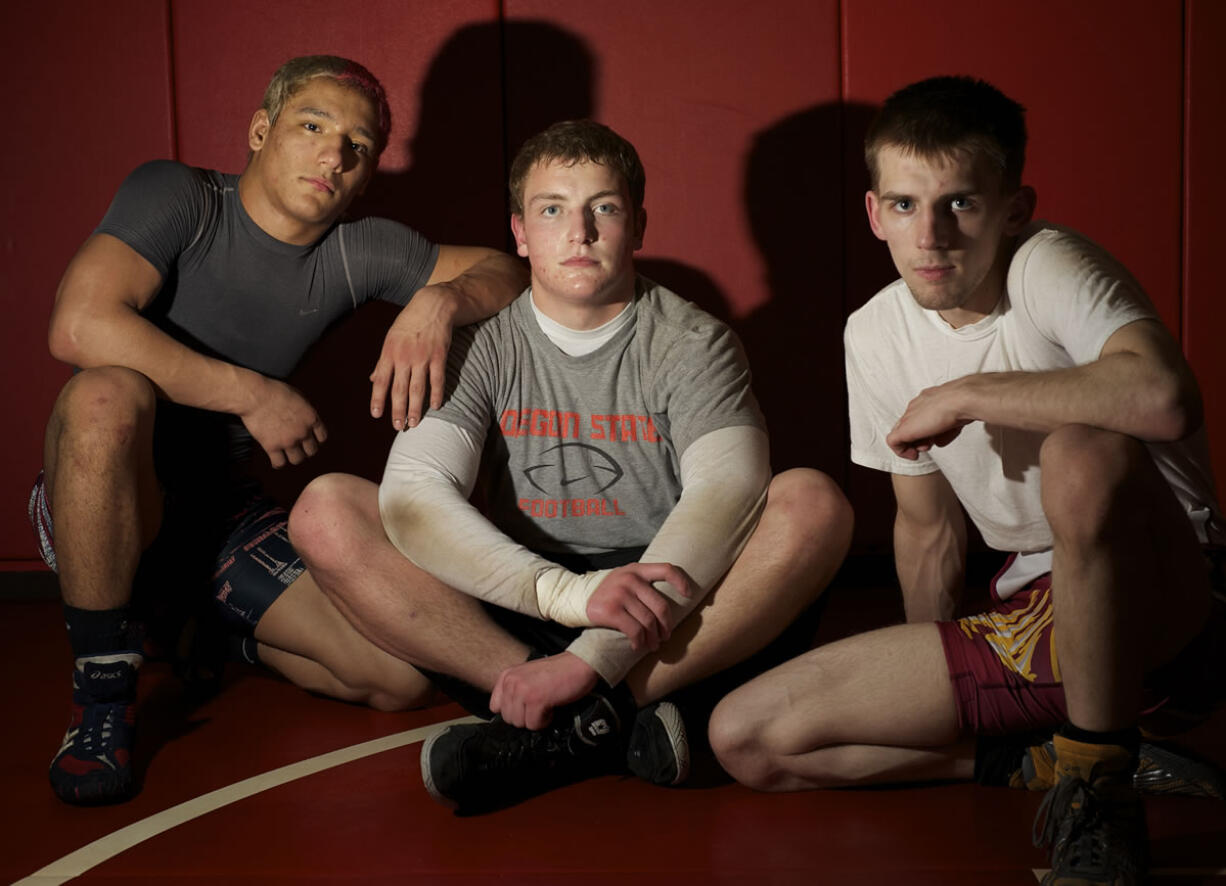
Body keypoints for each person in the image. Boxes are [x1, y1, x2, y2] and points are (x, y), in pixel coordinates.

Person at [709, 76, 1225, 885]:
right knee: (748, 738)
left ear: (1014, 210)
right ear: (875, 212)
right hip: (1035, 618)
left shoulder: (1049, 266)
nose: (932, 236)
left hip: (1173, 603)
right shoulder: (875, 333)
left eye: (961, 204)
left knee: (1081, 452)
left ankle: (1101, 785)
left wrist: (966, 394)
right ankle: (1036, 761)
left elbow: (1164, 398)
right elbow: (926, 529)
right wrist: (934, 671)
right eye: (907, 206)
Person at [288, 119, 853, 814]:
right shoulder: (479, 346)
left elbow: (728, 490)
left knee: (812, 503)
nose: (578, 232)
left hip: (669, 606)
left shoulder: (692, 340)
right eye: (553, 209)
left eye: (603, 209)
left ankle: (575, 722)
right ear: (521, 233)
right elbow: (413, 497)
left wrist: (594, 658)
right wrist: (569, 598)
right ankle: (578, 704)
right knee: (325, 511)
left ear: (638, 224)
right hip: (523, 599)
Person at [32, 55, 527, 806]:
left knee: (397, 677)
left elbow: (506, 271)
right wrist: (251, 394)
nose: (335, 154)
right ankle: (102, 698)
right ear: (262, 130)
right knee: (106, 397)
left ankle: (202, 627)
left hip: (218, 514)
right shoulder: (182, 197)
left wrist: (441, 301)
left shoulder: (361, 252)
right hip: (107, 487)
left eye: (358, 146)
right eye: (313, 126)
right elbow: (77, 325)